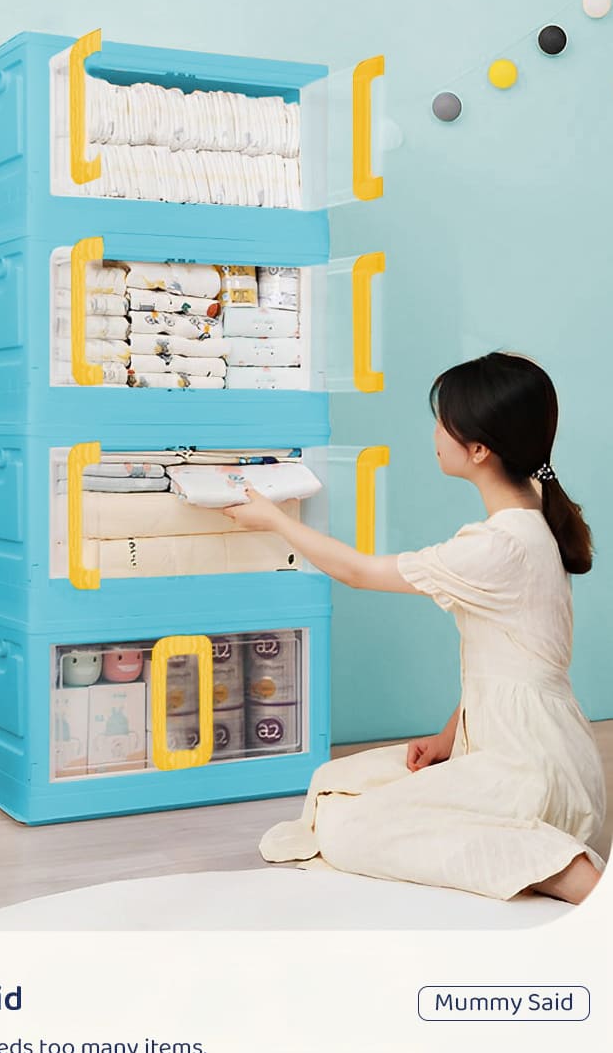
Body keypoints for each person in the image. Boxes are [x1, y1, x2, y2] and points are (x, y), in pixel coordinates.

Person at [228, 353, 605, 904]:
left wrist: (278, 521)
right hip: (520, 742)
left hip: (534, 767)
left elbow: (358, 572)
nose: (433, 432)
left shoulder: (499, 546)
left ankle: (563, 869)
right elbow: (506, 657)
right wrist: (448, 738)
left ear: (479, 449)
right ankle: (533, 848)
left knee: (348, 830)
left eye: (442, 421)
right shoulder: (534, 511)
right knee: (333, 786)